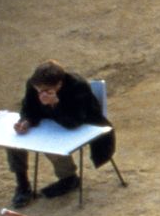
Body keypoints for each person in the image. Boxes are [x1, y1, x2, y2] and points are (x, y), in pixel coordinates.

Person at [8, 60, 116, 208]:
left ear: (59, 85)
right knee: (14, 143)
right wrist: (25, 121)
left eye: (45, 90)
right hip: (51, 123)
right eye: (38, 89)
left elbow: (74, 122)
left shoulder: (77, 86)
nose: (40, 93)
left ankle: (69, 178)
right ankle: (22, 184)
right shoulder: (34, 84)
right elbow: (28, 107)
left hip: (81, 124)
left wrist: (54, 104)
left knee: (50, 144)